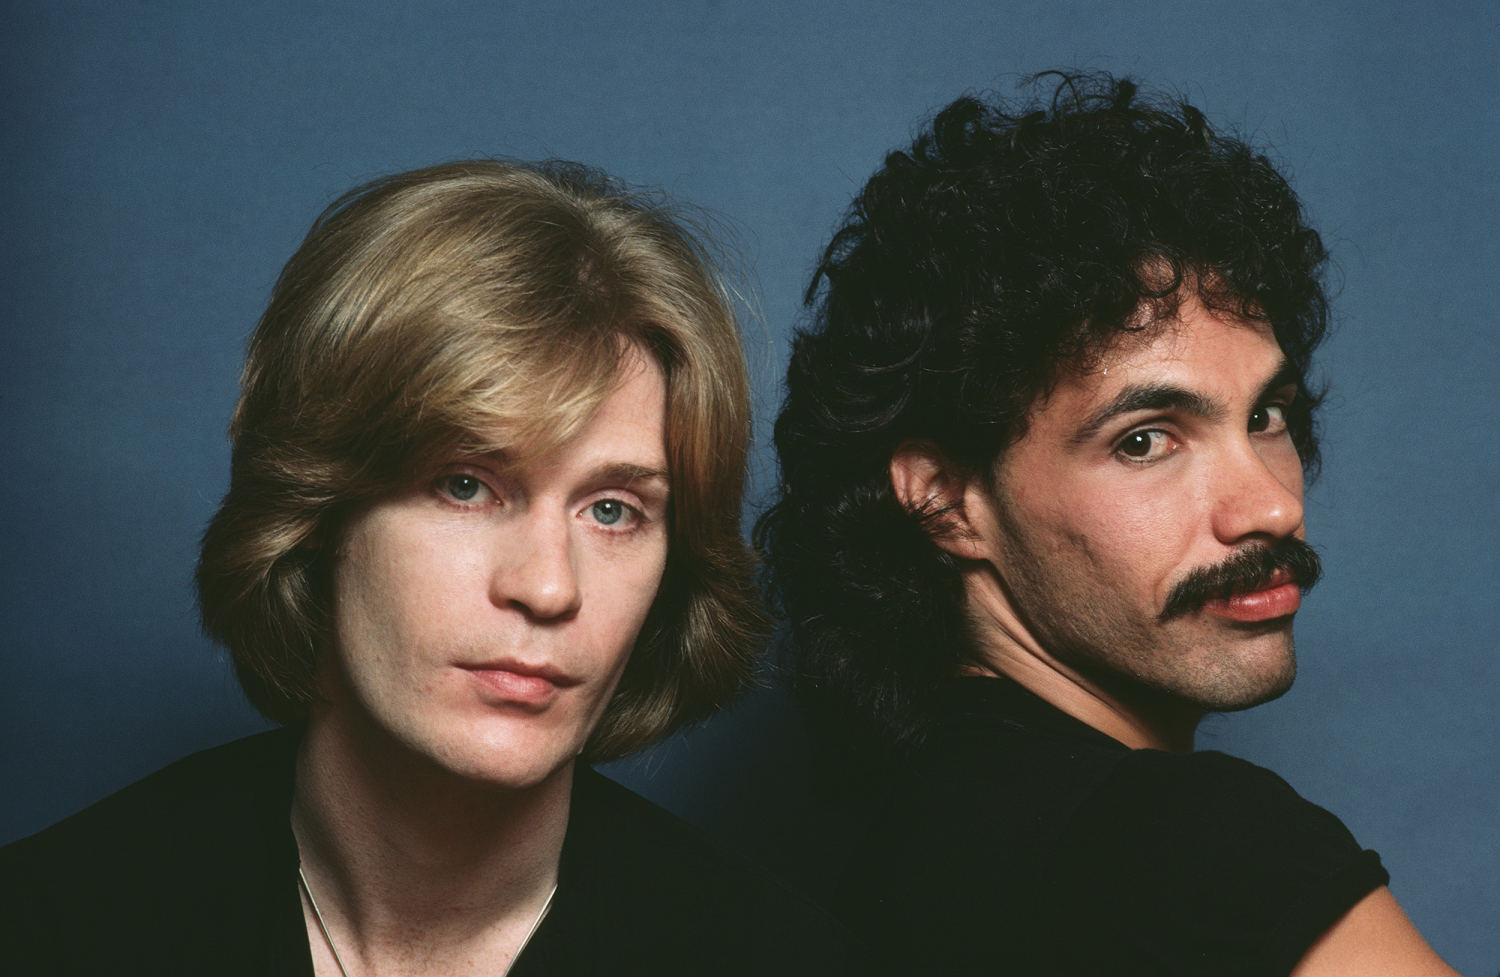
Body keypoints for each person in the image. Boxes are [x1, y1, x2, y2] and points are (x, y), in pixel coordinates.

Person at [1, 159, 844, 975]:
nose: (548, 586)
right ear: (317, 509)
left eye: (612, 510)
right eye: (465, 484)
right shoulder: (52, 926)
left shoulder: (772, 957)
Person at [757, 73, 1457, 975]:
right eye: (1145, 440)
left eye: (1265, 414)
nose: (1273, 507)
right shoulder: (1200, 843)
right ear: (944, 499)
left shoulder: (902, 849)